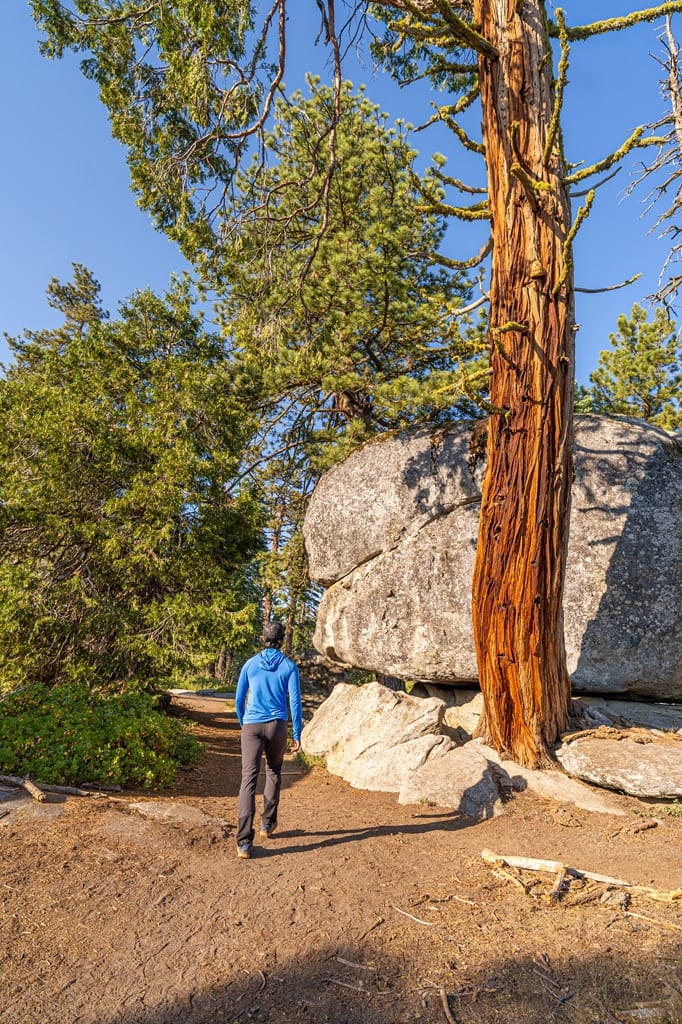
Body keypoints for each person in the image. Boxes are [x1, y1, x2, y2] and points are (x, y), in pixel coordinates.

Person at [234, 620, 303, 859]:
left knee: (248, 778)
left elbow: (238, 700)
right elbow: (294, 702)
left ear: (262, 639)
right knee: (273, 772)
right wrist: (297, 733)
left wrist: (245, 724)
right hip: (277, 726)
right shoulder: (289, 666)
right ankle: (267, 824)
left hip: (252, 725)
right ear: (282, 640)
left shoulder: (250, 665)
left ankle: (243, 842)